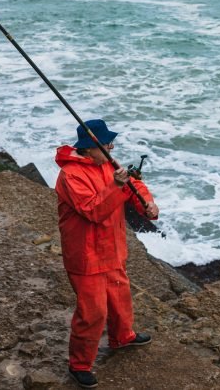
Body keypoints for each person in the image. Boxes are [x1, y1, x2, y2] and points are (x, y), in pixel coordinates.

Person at [54, 119, 159, 389]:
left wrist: (147, 204)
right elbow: (92, 211)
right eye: (106, 143)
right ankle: (79, 365)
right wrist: (115, 185)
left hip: (112, 250)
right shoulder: (71, 175)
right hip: (86, 256)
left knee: (120, 296)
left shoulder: (107, 164)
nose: (112, 147)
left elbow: (133, 186)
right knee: (93, 312)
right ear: (90, 149)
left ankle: (123, 336)